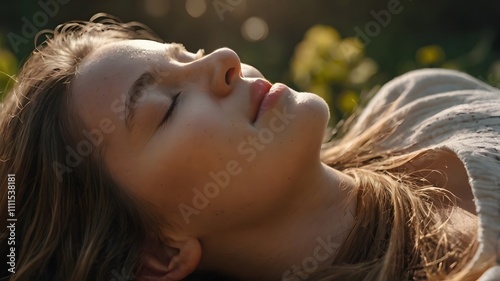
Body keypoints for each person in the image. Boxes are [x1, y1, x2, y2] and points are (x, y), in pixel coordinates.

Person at [0, 13, 499, 281]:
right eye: (169, 107)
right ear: (159, 253)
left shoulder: (420, 103)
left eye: (189, 54)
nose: (224, 59)